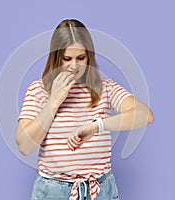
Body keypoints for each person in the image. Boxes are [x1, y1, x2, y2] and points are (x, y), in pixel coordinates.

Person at [16, 19, 154, 200]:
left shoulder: (105, 88)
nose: (74, 66)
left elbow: (145, 115)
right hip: (52, 192)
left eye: (81, 58)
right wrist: (53, 102)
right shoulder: (38, 90)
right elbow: (24, 146)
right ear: (56, 57)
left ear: (89, 56)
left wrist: (97, 126)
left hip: (99, 190)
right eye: (67, 59)